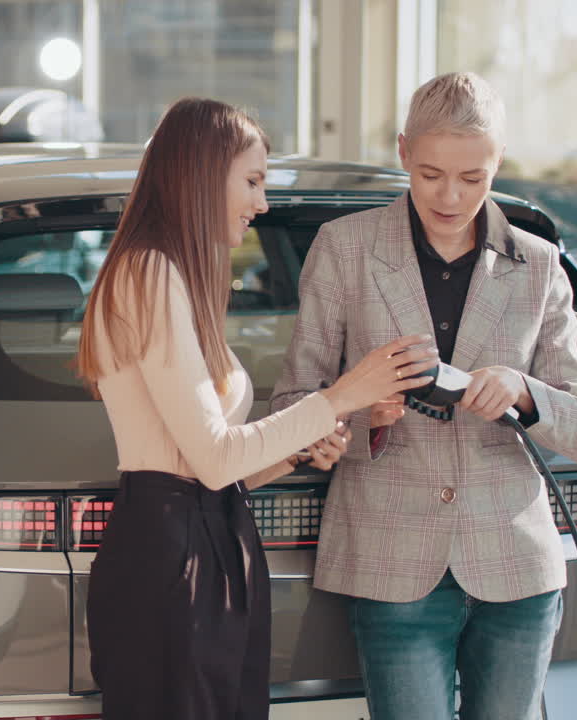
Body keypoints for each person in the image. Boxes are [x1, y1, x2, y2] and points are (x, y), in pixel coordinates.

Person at [75, 97, 438, 720]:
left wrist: (306, 443)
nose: (261, 203)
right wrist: (345, 393)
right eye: (251, 180)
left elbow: (208, 469)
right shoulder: (150, 274)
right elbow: (212, 461)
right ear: (199, 172)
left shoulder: (169, 276)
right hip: (176, 563)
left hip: (200, 545)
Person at [270, 73, 577, 720]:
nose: (451, 196)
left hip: (517, 572)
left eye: (472, 178)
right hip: (391, 565)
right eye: (430, 175)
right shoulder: (345, 251)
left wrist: (524, 391)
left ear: (496, 164)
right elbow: (294, 404)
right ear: (403, 153)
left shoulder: (538, 265)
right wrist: (369, 412)